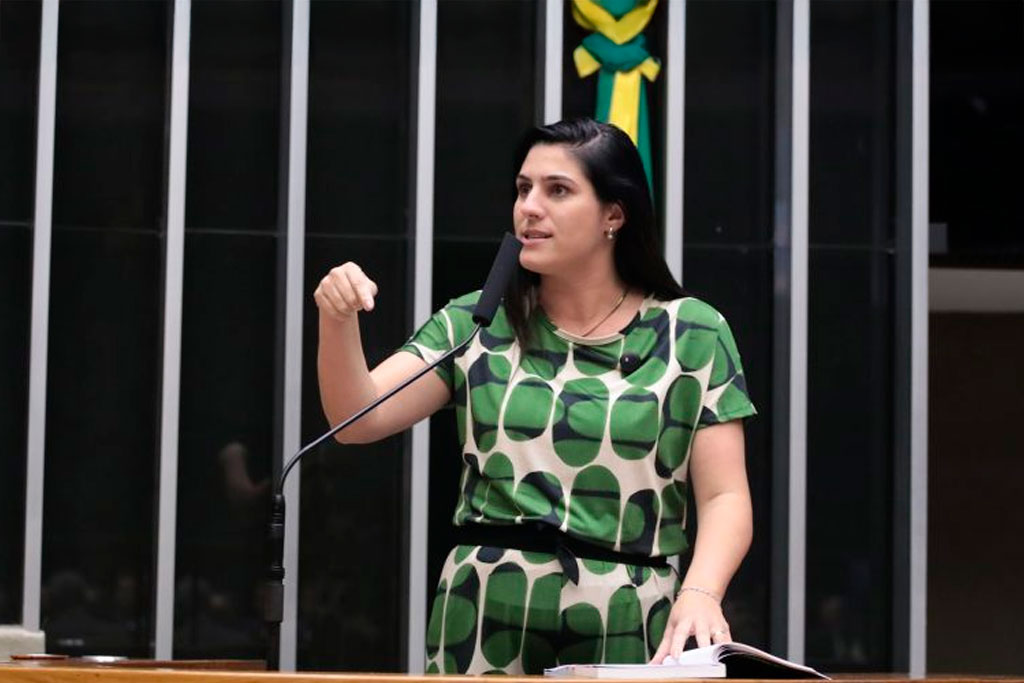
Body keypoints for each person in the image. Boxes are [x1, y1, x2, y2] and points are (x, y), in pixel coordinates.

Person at [314, 118, 755, 674]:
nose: (529, 207)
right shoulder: (478, 321)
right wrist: (337, 321)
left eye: (558, 190)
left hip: (630, 614)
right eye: (523, 189)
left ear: (613, 215)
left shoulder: (693, 333)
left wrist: (702, 592)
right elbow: (355, 419)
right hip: (484, 613)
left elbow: (725, 499)